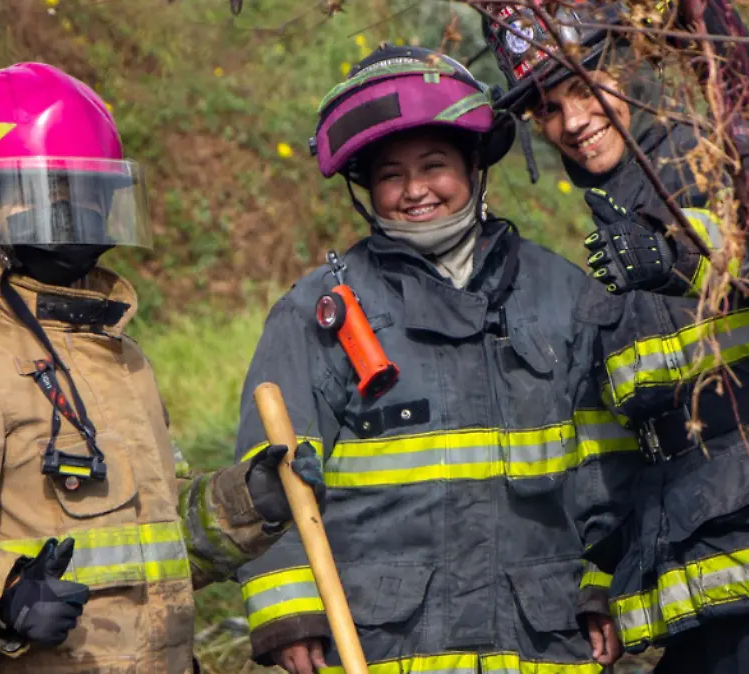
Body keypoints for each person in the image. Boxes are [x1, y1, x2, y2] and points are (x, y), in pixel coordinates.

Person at [484, 3, 749, 673]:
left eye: (585, 84)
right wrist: (600, 578)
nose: (572, 121)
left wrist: (681, 256)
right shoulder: (610, 240)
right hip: (699, 588)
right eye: (547, 107)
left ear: (633, 63)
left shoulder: (727, 150)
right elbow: (618, 440)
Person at [0, 62, 323, 673]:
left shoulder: (117, 358)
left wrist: (250, 500)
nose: (78, 216)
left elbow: (154, 546)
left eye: (88, 196)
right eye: (55, 196)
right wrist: (3, 596)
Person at [232, 45, 640, 674]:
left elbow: (607, 469)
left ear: (475, 165)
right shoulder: (317, 312)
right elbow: (272, 478)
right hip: (385, 646)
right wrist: (290, 615)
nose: (415, 190)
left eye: (434, 165)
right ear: (367, 187)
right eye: (392, 175)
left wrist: (602, 585)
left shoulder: (563, 297)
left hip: (542, 641)